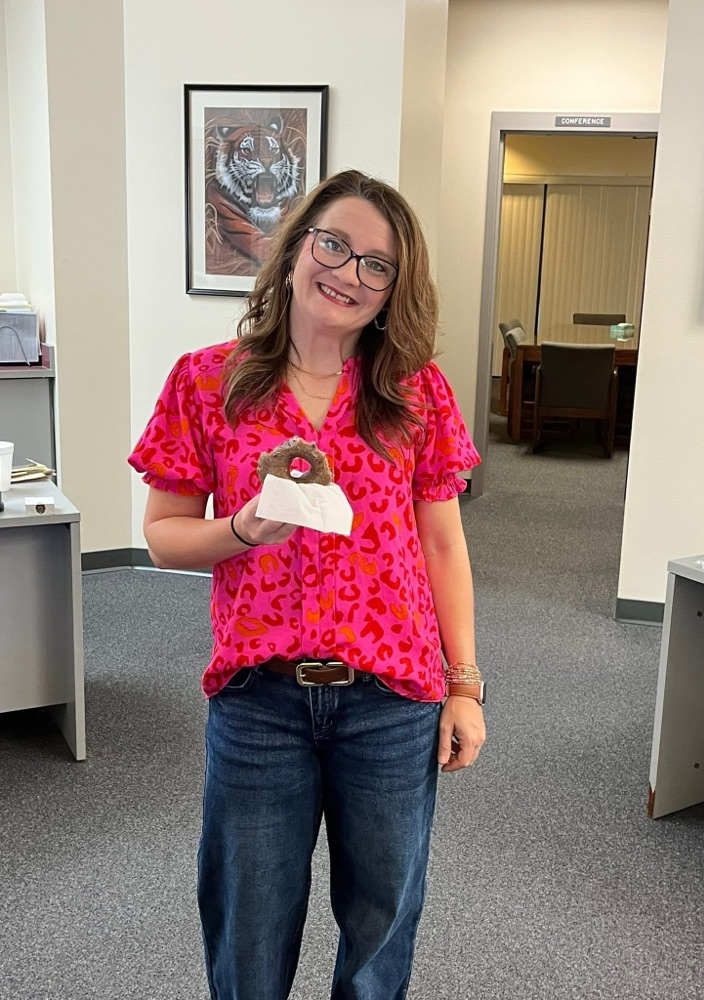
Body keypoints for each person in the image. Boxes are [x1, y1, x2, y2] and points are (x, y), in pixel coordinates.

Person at [128, 169, 486, 1000]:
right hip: (260, 700)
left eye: (377, 264)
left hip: (391, 700)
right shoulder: (207, 381)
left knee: (381, 924)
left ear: (393, 290)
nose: (348, 273)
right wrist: (242, 529)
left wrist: (464, 686)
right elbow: (162, 536)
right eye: (334, 244)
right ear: (295, 250)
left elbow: (442, 543)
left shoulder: (414, 392)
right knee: (248, 927)